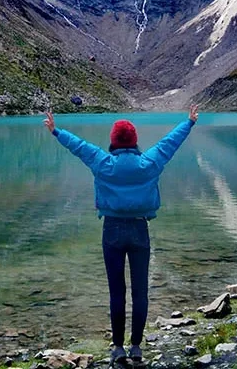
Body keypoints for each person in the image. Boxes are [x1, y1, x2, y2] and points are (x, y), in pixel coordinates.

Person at [43, 105, 199, 366]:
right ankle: (136, 347)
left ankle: (118, 349)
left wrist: (56, 131)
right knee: (140, 292)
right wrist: (189, 123)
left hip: (112, 230)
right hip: (140, 229)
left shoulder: (104, 163)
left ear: (113, 141)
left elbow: (80, 146)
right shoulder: (149, 163)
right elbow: (169, 143)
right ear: (135, 140)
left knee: (117, 291)